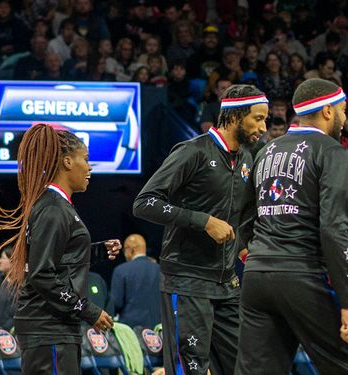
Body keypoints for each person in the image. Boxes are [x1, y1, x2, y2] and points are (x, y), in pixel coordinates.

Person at [236, 79, 348, 374]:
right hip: (304, 273)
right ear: (327, 111)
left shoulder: (266, 151)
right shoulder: (334, 152)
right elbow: (333, 229)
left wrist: (253, 255)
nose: (344, 116)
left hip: (258, 276)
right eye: (341, 109)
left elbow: (244, 216)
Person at [133, 85, 268, 375]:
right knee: (190, 370)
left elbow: (238, 217)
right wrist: (203, 221)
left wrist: (243, 247)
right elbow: (145, 203)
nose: (263, 127)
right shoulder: (191, 151)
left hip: (227, 284)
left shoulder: (247, 158)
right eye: (257, 118)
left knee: (244, 366)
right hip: (186, 280)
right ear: (234, 117)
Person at [0, 124, 121, 373]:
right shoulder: (53, 209)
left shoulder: (58, 206)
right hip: (48, 329)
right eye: (85, 159)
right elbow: (42, 274)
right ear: (67, 162)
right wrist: (88, 310)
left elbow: (59, 259)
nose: (90, 167)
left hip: (54, 328)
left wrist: (96, 251)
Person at [108, 234, 161, 329]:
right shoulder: (160, 271)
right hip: (157, 329)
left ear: (130, 249)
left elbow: (116, 303)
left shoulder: (121, 270)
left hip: (131, 330)